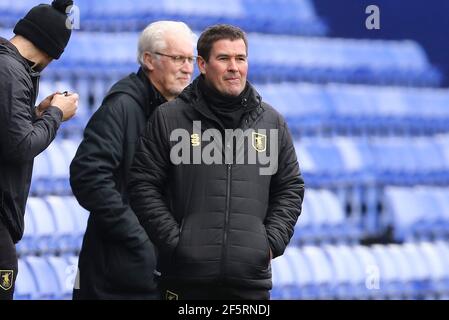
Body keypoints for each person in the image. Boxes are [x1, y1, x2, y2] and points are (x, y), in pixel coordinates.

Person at [128, 24, 304, 300]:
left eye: (241, 58)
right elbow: (142, 185)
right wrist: (177, 244)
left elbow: (290, 189)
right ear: (202, 64)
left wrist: (269, 244)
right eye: (224, 58)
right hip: (184, 281)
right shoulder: (169, 118)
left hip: (250, 284)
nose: (234, 67)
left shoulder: (272, 123)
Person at [69, 21, 196, 300]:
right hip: (115, 278)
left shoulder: (183, 112)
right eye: (178, 58)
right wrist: (138, 237)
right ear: (149, 60)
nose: (188, 68)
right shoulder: (121, 106)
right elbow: (88, 175)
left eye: (191, 59)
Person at [0, 0, 78, 300]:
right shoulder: (9, 69)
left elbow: (7, 132)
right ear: (50, 49)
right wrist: (56, 114)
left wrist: (37, 113)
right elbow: (20, 146)